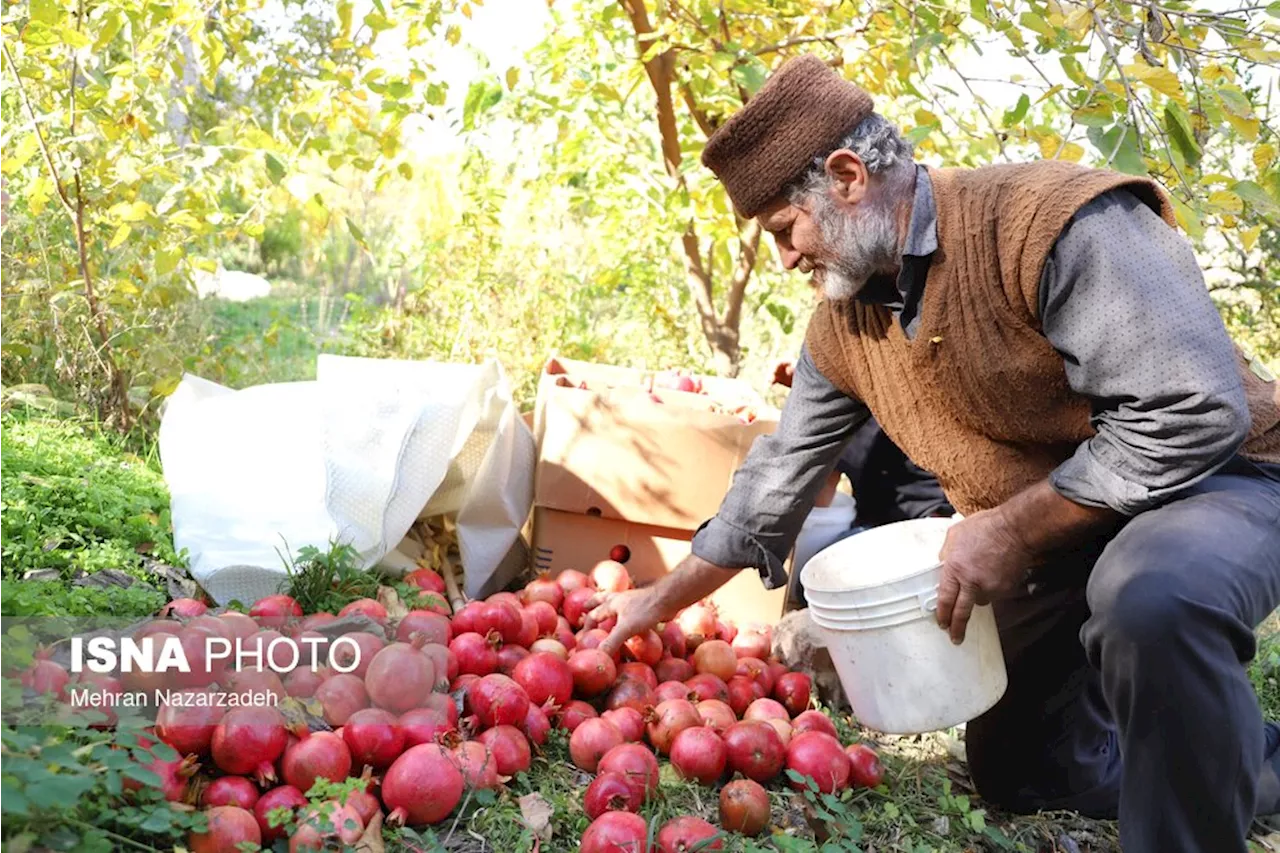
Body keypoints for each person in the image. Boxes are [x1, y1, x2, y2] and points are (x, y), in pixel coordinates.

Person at [589, 54, 1280, 853]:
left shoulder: (1049, 222)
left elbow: (1191, 414)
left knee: (1149, 597)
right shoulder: (845, 329)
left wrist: (1013, 531)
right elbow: (774, 481)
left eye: (786, 229)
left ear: (848, 176)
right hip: (1072, 518)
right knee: (1020, 771)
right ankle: (1231, 757)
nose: (784, 259)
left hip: (1223, 479)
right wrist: (653, 603)